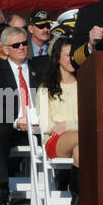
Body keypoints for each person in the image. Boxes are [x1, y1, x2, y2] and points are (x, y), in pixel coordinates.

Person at [0, 26, 42, 205]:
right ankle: (4, 188)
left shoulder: (40, 68)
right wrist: (17, 122)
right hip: (10, 124)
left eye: (24, 43)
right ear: (6, 49)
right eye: (16, 45)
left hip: (40, 124)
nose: (22, 48)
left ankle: (66, 187)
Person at [38, 37, 79, 172]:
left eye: (74, 55)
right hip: (55, 140)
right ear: (57, 58)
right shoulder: (45, 88)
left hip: (79, 137)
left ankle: (76, 191)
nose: (72, 58)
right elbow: (46, 124)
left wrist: (67, 125)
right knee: (85, 137)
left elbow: (90, 121)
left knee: (79, 150)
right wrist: (65, 128)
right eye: (68, 55)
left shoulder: (84, 85)